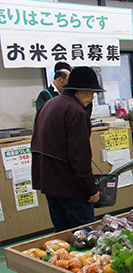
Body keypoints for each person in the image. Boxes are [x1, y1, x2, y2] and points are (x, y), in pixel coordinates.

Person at [31, 67, 103, 232]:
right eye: (90, 92)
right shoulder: (76, 112)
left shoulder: (48, 105)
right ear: (79, 89)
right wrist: (91, 188)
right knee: (85, 238)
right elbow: (80, 157)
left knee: (63, 236)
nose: (92, 97)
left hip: (49, 183)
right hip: (70, 187)